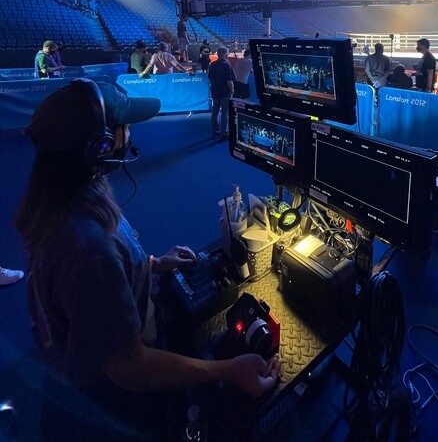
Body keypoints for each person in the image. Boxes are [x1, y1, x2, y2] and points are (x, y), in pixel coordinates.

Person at [14, 80, 279, 442]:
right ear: (100, 146)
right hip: (113, 402)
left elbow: (88, 297)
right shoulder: (89, 247)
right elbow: (130, 367)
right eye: (123, 127)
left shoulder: (67, 201)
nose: (130, 132)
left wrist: (151, 264)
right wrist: (227, 370)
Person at [208, 47, 235, 139]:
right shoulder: (227, 65)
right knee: (224, 112)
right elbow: (229, 81)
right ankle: (223, 132)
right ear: (225, 54)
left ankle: (213, 131)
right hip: (225, 92)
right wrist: (232, 91)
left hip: (215, 91)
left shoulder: (212, 64)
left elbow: (210, 78)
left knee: (214, 112)